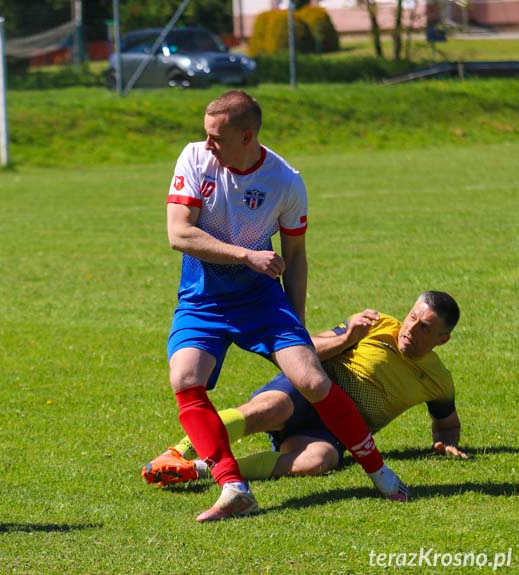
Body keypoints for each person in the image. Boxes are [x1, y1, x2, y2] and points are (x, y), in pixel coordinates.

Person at [165, 90, 407, 523]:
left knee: (312, 379)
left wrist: (295, 326)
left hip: (261, 301)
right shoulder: (195, 158)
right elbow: (178, 234)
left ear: (247, 135)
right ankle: (233, 487)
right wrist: (246, 256)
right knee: (184, 378)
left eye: (217, 137)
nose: (207, 145)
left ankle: (380, 471)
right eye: (205, 135)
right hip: (201, 299)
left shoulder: (285, 182)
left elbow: (295, 258)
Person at [144, 292, 466, 486]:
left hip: (334, 431)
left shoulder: (438, 380)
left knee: (320, 461)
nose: (410, 328)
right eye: (412, 317)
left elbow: (446, 423)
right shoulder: (377, 323)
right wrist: (347, 338)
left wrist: (445, 442)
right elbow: (303, 348)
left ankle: (199, 470)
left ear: (443, 339)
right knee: (270, 409)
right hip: (307, 392)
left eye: (424, 327)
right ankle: (176, 452)